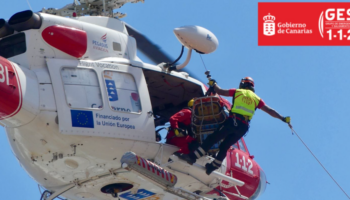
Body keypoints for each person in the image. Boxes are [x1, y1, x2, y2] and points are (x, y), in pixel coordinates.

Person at [179, 77, 291, 175]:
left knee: (212, 138)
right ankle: (212, 167)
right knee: (224, 146)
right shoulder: (257, 99)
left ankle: (192, 157)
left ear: (242, 84)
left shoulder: (238, 91)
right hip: (243, 128)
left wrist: (213, 84)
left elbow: (220, 91)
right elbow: (270, 111)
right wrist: (283, 118)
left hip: (233, 122)